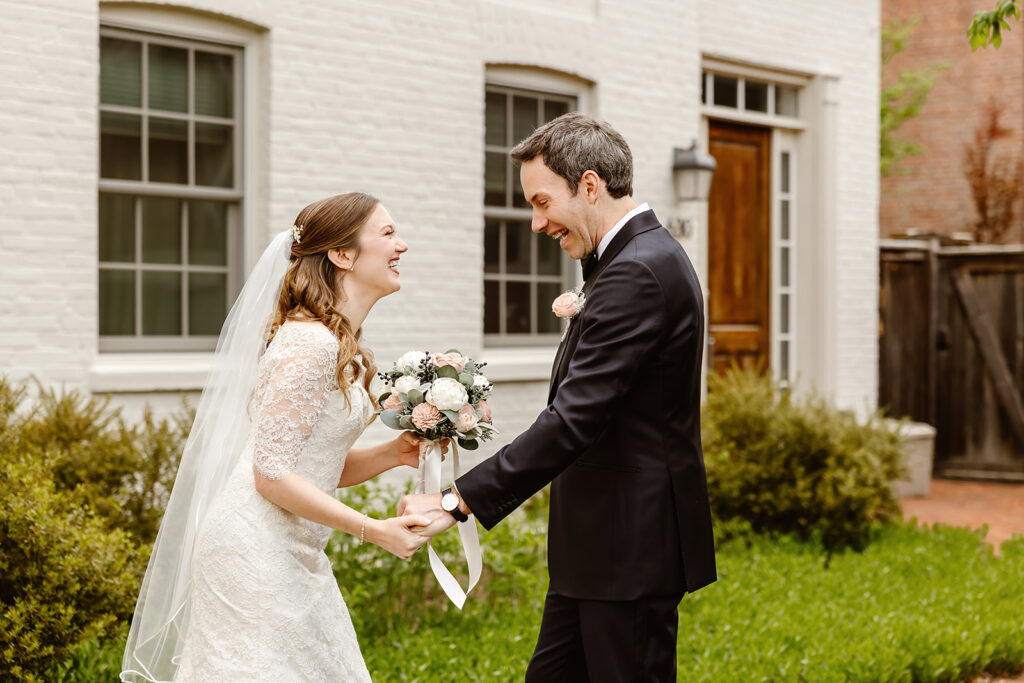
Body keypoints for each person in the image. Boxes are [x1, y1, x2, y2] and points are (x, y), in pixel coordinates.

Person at [400, 113, 717, 681]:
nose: (535, 222)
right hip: (599, 552)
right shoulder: (625, 262)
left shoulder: (638, 272)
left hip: (629, 552)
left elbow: (572, 421)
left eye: (542, 202)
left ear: (589, 186)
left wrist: (456, 501)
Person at [121, 192, 436, 682]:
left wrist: (394, 453)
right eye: (389, 233)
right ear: (343, 254)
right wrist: (372, 529)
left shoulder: (335, 344)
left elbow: (314, 464)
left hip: (293, 546)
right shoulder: (309, 344)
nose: (403, 246)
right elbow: (270, 476)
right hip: (252, 547)